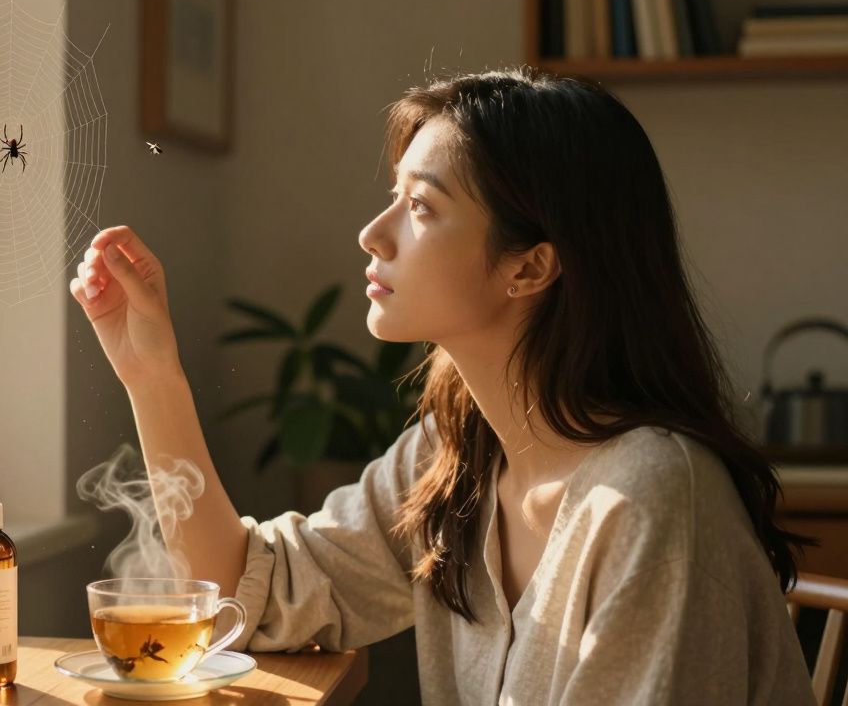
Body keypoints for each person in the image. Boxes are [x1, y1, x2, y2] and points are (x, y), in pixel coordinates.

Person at [68, 67, 816, 704]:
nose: (374, 232)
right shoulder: (457, 453)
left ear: (530, 267)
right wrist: (152, 374)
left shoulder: (651, 497)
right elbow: (239, 598)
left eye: (420, 206)